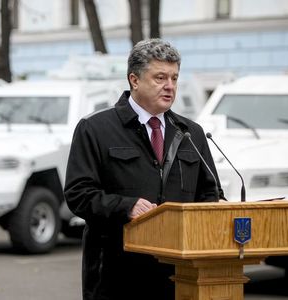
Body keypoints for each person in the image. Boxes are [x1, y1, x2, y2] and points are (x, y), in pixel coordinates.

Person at [64, 38, 224, 300]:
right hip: (117, 275)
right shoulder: (96, 129)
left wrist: (217, 209)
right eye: (160, 77)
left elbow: (210, 193)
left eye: (174, 78)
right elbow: (78, 194)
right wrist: (125, 206)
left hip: (180, 274)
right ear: (134, 80)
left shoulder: (190, 133)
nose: (169, 86)